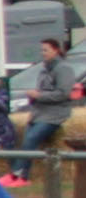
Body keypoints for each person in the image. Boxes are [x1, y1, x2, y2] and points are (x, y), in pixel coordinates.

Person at [18, 37, 77, 166]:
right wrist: (32, 96)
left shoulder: (64, 69)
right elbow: (43, 91)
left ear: (55, 51)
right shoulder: (43, 70)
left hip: (54, 115)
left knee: (31, 139)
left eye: (46, 50)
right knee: (26, 142)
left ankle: (19, 174)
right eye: (42, 50)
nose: (43, 53)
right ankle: (19, 175)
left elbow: (63, 94)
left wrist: (39, 95)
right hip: (38, 114)